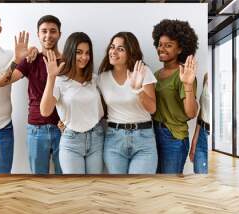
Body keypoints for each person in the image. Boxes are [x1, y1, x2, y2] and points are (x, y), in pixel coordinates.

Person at [0, 15, 63, 174]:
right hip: (36, 129)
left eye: (53, 31)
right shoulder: (31, 59)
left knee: (65, 178)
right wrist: (17, 60)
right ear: (38, 34)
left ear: (59, 33)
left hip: (63, 129)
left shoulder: (66, 61)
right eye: (44, 31)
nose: (48, 35)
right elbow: (1, 82)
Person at [40, 32, 104, 174]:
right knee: (76, 189)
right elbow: (45, 111)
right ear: (70, 53)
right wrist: (51, 77)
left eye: (87, 53)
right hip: (71, 142)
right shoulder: (60, 80)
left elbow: (103, 109)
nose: (84, 57)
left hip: (97, 138)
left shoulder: (94, 79)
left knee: (94, 188)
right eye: (79, 52)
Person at [98, 32, 158, 174]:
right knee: (120, 191)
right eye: (112, 47)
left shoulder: (143, 71)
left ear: (130, 53)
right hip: (114, 139)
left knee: (139, 189)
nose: (113, 51)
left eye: (121, 49)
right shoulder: (102, 78)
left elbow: (153, 108)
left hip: (143, 138)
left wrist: (138, 90)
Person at [151, 19, 199, 174]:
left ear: (180, 49)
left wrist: (188, 85)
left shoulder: (184, 75)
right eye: (160, 44)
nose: (161, 48)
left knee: (169, 184)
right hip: (153, 134)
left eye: (168, 45)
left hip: (173, 137)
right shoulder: (156, 75)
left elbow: (191, 113)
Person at [0, 11, 36, 174]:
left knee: (1, 180)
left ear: (0, 29)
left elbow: (29, 56)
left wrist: (31, 51)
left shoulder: (10, 55)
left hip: (2, 130)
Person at [190, 73, 210, 174]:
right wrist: (194, 141)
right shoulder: (207, 76)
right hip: (202, 135)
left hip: (213, 138)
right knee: (199, 177)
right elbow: (202, 110)